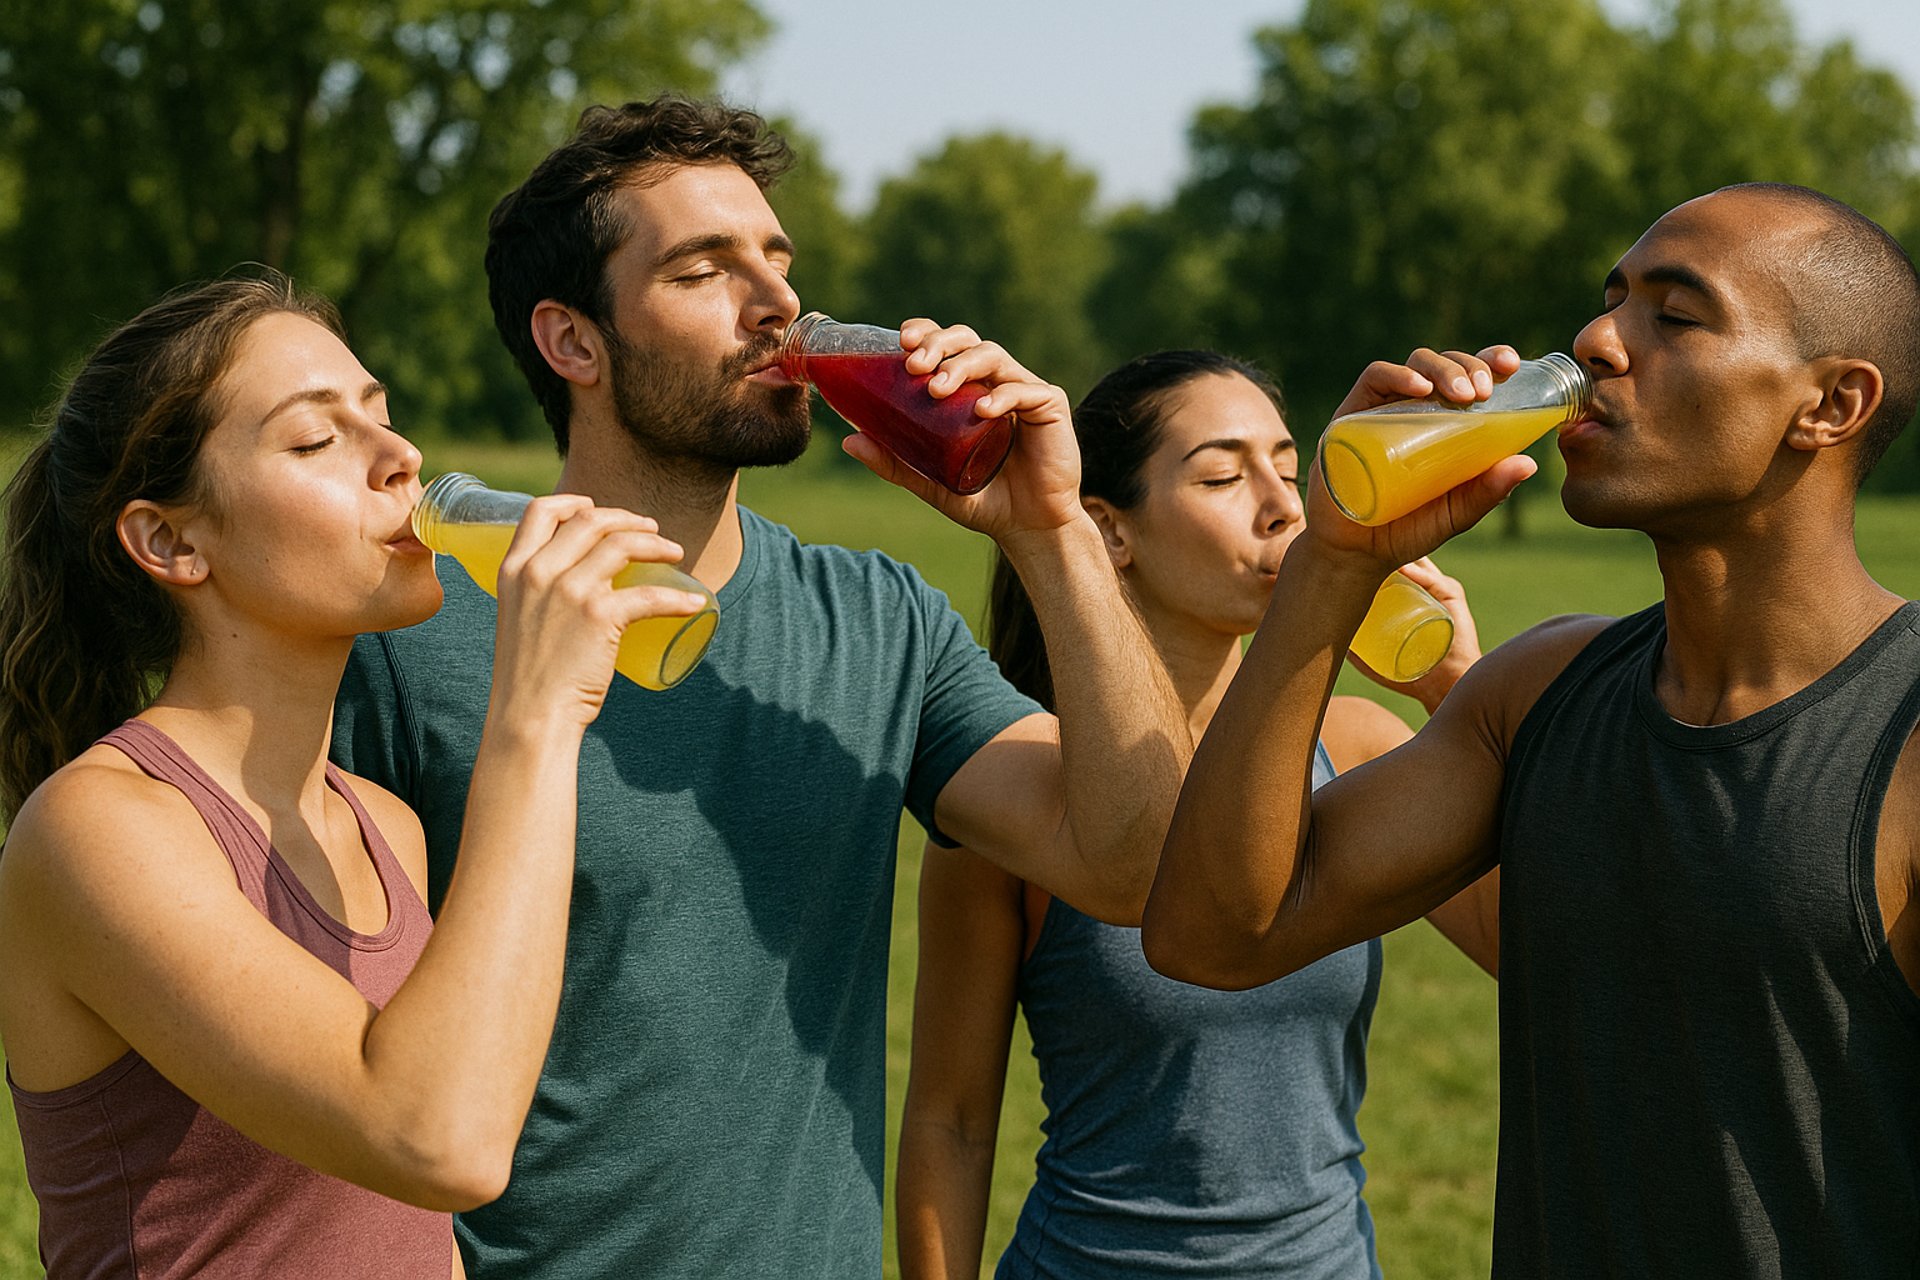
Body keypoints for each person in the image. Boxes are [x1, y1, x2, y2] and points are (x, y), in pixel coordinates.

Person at [329, 95, 1191, 1277]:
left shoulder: (883, 622)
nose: (778, 301)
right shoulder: (411, 629)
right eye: (702, 268)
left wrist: (1051, 533)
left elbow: (1140, 863)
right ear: (573, 341)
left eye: (776, 259)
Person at [1143, 182, 1920, 1275]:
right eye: (1610, 302)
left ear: (1832, 404)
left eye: (1675, 315)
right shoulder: (1537, 690)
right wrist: (1334, 558)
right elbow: (1213, 933)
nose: (1598, 339)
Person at [0, 272, 706, 1277]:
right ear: (170, 539)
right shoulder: (98, 831)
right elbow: (439, 1137)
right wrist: (537, 712)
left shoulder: (382, 825)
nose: (401, 458)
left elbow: (416, 1233)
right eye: (315, 439)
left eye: (381, 415)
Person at [896, 351, 1497, 1280]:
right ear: (1109, 535)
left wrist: (1459, 688)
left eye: (1289, 471)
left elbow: (1542, 950)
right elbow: (953, 1123)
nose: (1284, 506)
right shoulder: (1019, 794)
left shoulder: (1364, 746)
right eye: (1222, 475)